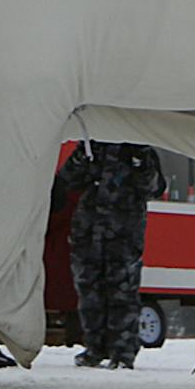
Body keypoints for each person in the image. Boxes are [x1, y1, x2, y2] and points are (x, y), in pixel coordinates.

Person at [60, 141, 167, 369]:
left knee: (123, 292)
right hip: (89, 232)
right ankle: (94, 348)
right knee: (89, 291)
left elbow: (154, 188)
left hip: (123, 233)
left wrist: (140, 161)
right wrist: (81, 157)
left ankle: (123, 353)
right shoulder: (91, 147)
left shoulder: (141, 149)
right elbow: (67, 179)